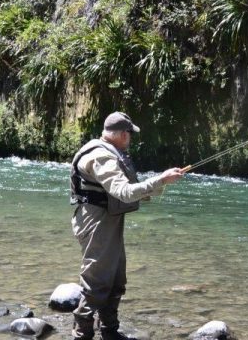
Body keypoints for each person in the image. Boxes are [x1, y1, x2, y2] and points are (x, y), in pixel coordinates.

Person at [70, 112, 184, 340]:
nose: (131, 139)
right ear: (123, 134)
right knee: (96, 281)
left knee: (116, 278)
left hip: (108, 218)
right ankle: (81, 334)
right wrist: (160, 180)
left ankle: (109, 331)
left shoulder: (108, 150)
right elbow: (124, 192)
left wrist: (158, 183)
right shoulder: (102, 158)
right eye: (130, 134)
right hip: (96, 222)